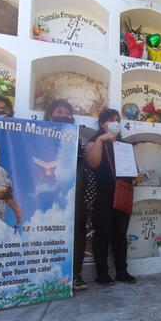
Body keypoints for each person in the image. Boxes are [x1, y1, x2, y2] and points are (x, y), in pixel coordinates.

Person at [86, 108, 141, 286]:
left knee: (120, 234)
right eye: (111, 119)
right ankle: (102, 274)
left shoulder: (124, 144)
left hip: (123, 192)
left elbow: (134, 170)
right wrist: (101, 140)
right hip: (103, 193)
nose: (116, 122)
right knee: (103, 234)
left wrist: (137, 175)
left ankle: (122, 272)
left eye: (118, 119)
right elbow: (93, 163)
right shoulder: (93, 141)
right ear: (102, 123)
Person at [43, 99, 95, 291]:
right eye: (59, 111)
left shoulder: (76, 139)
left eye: (67, 112)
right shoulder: (37, 138)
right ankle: (46, 276)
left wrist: (89, 195)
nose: (64, 115)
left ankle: (75, 275)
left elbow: (86, 170)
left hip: (76, 196)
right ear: (50, 116)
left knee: (78, 235)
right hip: (47, 195)